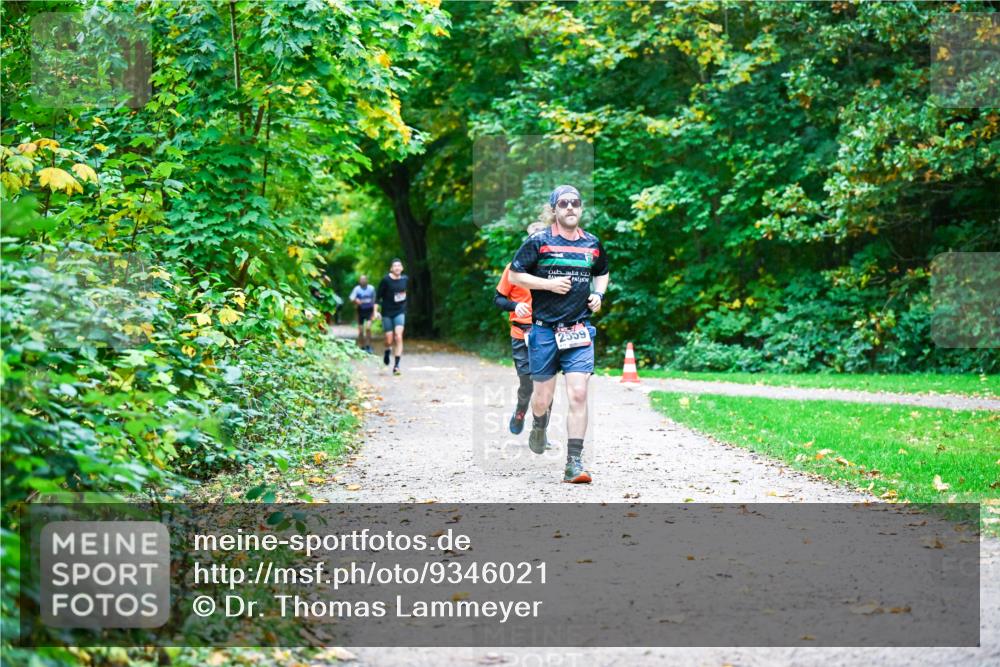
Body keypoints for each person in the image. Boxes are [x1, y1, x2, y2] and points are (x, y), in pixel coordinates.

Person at [508, 185, 610, 484]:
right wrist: (548, 285)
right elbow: (515, 275)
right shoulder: (539, 241)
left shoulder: (592, 243)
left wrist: (599, 295)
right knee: (542, 399)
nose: (569, 207)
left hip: (578, 330)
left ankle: (574, 463)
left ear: (581, 208)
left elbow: (602, 271)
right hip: (543, 331)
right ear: (553, 209)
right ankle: (539, 426)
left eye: (575, 203)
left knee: (578, 394)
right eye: (563, 203)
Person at [494, 222, 553, 439]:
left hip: (547, 334)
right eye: (532, 237)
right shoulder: (513, 268)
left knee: (546, 385)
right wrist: (514, 306)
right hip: (521, 333)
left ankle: (541, 431)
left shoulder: (552, 269)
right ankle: (521, 409)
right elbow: (498, 298)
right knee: (527, 384)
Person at [376, 258, 408, 376]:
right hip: (387, 312)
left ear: (402, 268)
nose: (397, 268)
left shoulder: (405, 280)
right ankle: (387, 350)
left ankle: (397, 366)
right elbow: (378, 297)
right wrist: (376, 311)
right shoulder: (386, 280)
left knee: (398, 336)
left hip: (400, 312)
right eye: (395, 266)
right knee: (389, 339)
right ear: (391, 268)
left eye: (399, 266)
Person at [349, 275, 376, 353]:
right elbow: (351, 298)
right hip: (360, 311)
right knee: (361, 331)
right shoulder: (357, 289)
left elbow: (375, 300)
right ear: (359, 281)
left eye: (364, 279)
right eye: (361, 279)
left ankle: (369, 346)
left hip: (369, 311)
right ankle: (362, 346)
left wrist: (374, 312)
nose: (363, 281)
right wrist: (356, 300)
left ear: (367, 280)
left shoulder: (371, 288)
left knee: (368, 328)